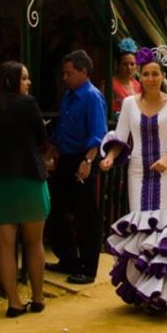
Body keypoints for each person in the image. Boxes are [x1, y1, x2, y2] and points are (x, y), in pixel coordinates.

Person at [99, 45, 167, 312]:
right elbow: (121, 137)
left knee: (163, 228)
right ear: (139, 77)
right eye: (146, 74)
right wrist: (110, 157)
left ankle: (163, 292)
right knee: (142, 229)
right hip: (137, 172)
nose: (151, 78)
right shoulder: (130, 104)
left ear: (163, 76)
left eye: (156, 74)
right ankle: (142, 290)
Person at [0, 61, 49, 317]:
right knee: (34, 242)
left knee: (5, 245)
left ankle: (14, 303)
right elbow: (41, 137)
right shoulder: (27, 104)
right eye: (24, 78)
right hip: (27, 176)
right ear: (13, 80)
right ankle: (38, 297)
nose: (28, 83)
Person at [46, 50, 106, 285]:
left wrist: (88, 161)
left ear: (83, 72)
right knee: (57, 209)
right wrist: (50, 154)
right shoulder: (69, 95)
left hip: (83, 157)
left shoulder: (92, 96)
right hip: (66, 157)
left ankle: (88, 267)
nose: (65, 78)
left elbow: (98, 133)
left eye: (69, 73)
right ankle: (68, 259)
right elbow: (60, 130)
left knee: (85, 214)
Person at [111, 39, 142, 114]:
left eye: (132, 64)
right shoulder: (110, 85)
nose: (129, 68)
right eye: (125, 64)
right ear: (117, 65)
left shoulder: (138, 85)